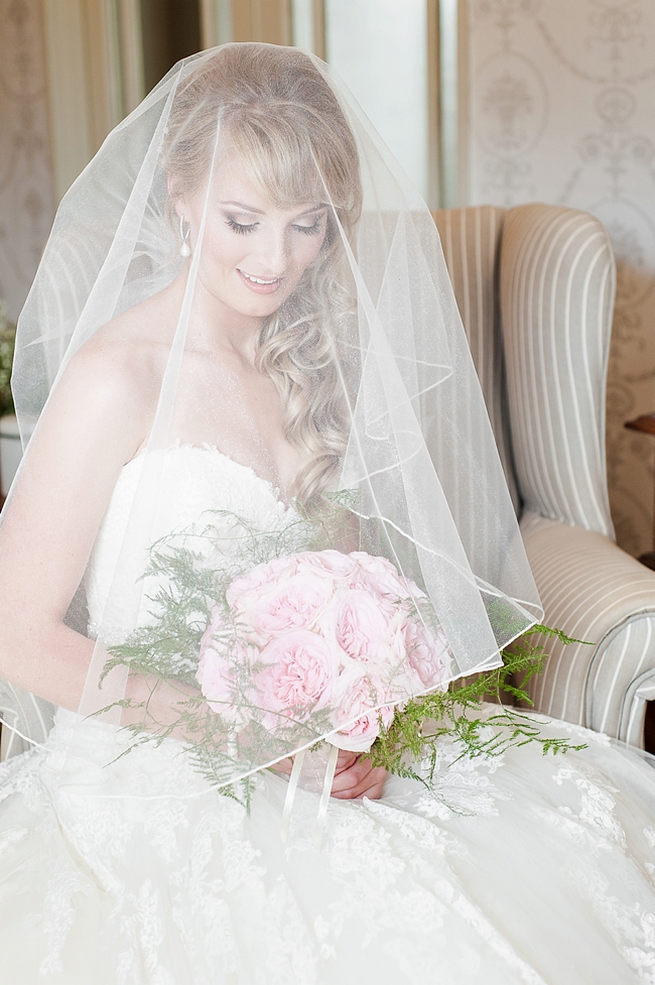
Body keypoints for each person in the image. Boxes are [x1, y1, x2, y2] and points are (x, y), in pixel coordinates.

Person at [0, 42, 652, 984]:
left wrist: (358, 719)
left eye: (307, 226)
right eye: (242, 220)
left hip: (312, 749)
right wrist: (250, 740)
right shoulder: (115, 378)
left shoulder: (308, 363)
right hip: (156, 760)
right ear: (180, 196)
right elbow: (15, 633)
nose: (275, 261)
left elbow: (345, 583)